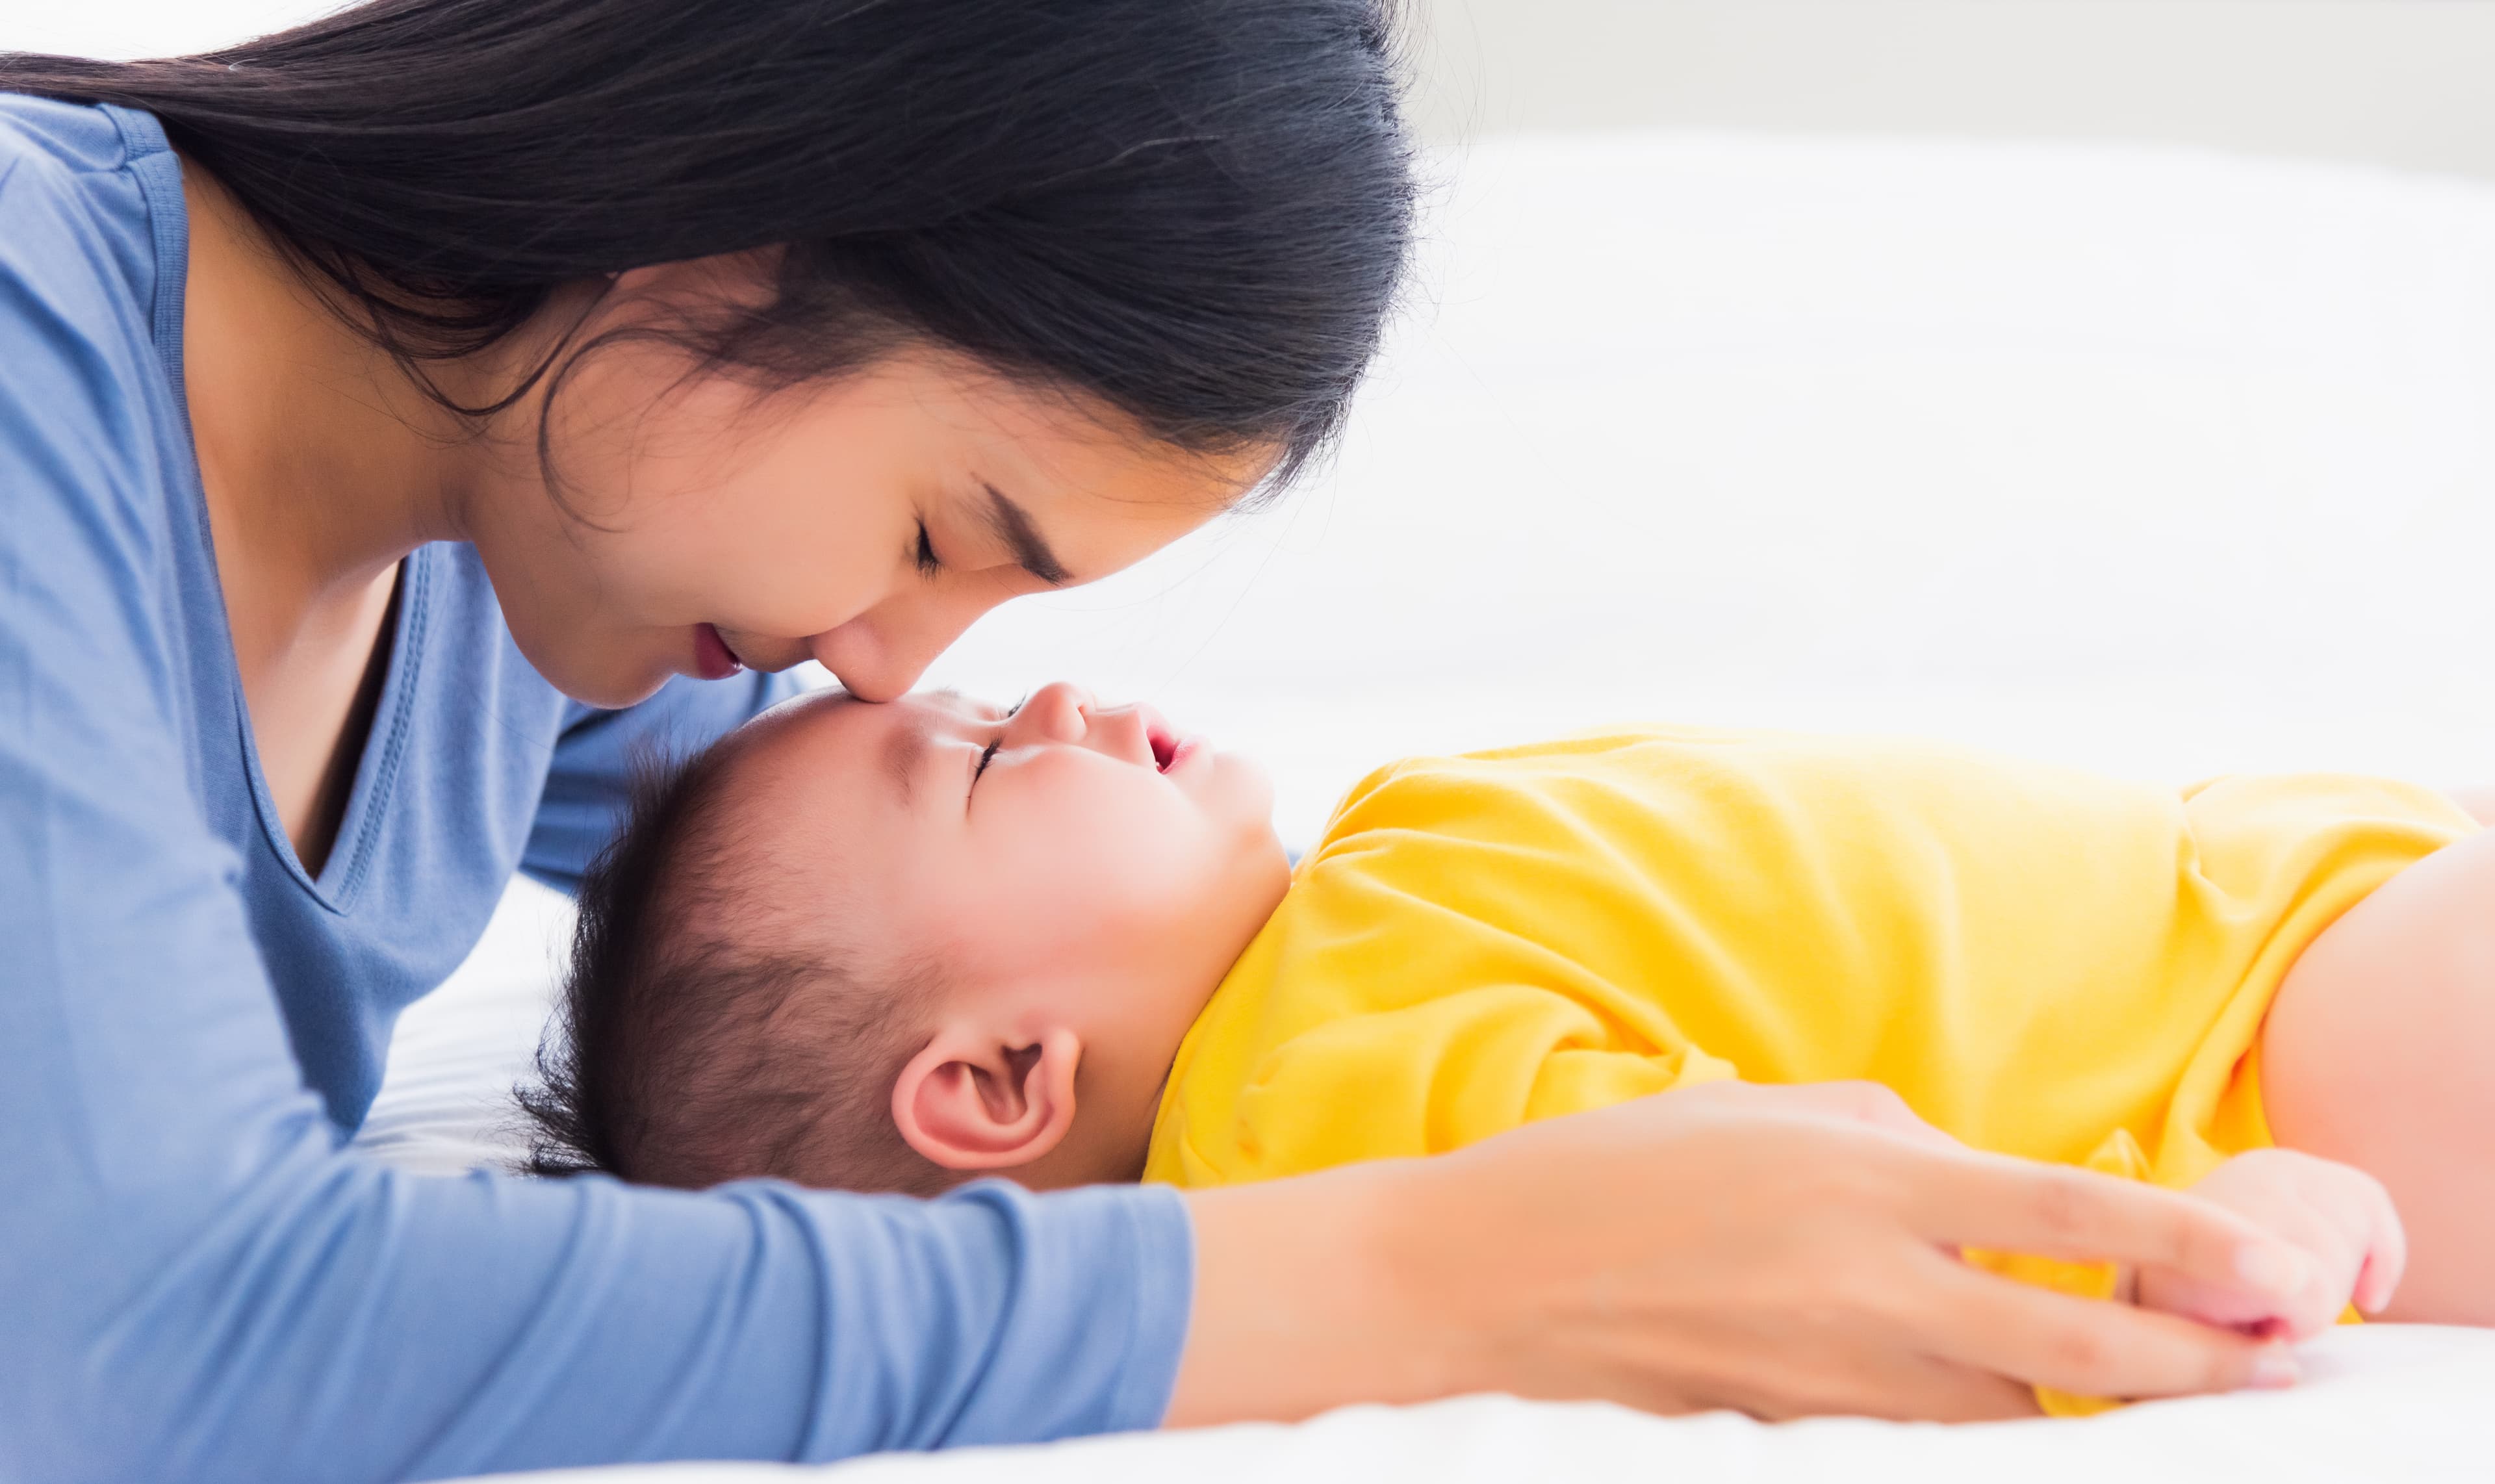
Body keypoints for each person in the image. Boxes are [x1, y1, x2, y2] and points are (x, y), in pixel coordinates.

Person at [0, 3, 2329, 1478]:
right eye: (939, 526)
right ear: (710, 251)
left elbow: (838, 962)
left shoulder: (536, 582)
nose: (885, 669)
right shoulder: (35, 339)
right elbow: (145, 1336)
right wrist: (1451, 1268)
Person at [522, 682, 2492, 1411]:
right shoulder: (1318, 1087)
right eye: (969, 764)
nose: (1043, 691)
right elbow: (1780, 1231)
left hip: (2290, 906)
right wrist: (2163, 1241)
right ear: (1000, 1085)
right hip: (2280, 1055)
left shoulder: (1348, 893)